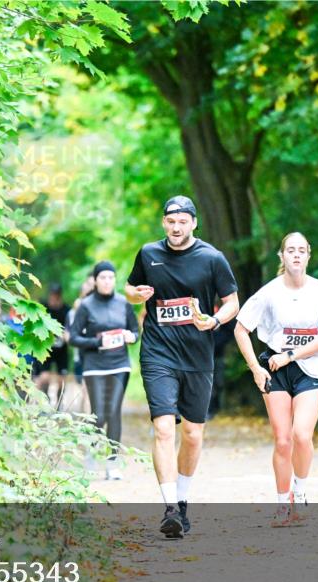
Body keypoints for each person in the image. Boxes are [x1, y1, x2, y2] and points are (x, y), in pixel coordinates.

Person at [126, 195, 239, 538]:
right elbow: (130, 288)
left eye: (182, 221)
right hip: (158, 352)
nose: (176, 227)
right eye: (170, 221)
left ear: (193, 223)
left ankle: (184, 500)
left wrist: (215, 320)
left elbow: (232, 302)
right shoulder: (149, 254)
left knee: (192, 434)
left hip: (197, 355)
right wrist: (136, 296)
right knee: (164, 429)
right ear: (164, 223)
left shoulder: (212, 258)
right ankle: (170, 507)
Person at [233, 232, 318, 526]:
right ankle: (282, 503)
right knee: (282, 439)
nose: (296, 255)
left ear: (309, 255)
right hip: (274, 369)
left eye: (302, 250)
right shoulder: (269, 292)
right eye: (291, 250)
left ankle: (300, 492)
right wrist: (255, 368)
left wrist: (291, 355)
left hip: (310, 368)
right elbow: (241, 329)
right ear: (282, 256)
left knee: (302, 435)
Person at [69, 261, 140, 481]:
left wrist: (132, 337)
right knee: (99, 415)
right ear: (96, 280)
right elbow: (73, 337)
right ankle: (91, 452)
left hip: (120, 364)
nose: (107, 281)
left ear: (115, 280)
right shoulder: (86, 305)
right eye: (103, 278)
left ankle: (113, 464)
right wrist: (97, 342)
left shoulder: (123, 303)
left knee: (113, 411)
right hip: (94, 366)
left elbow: (135, 330)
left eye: (111, 277)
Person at [33, 284, 71, 403]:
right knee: (44, 377)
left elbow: (72, 326)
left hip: (61, 350)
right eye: (52, 295)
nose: (54, 298)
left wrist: (67, 334)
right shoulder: (43, 308)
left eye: (57, 296)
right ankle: (45, 401)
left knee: (61, 380)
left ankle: (59, 403)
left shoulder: (67, 310)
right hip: (45, 348)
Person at [65, 276, 96, 414]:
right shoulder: (74, 311)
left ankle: (91, 424)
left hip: (101, 355)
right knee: (86, 391)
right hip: (82, 355)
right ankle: (87, 425)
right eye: (88, 284)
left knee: (90, 391)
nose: (90, 287)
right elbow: (69, 334)